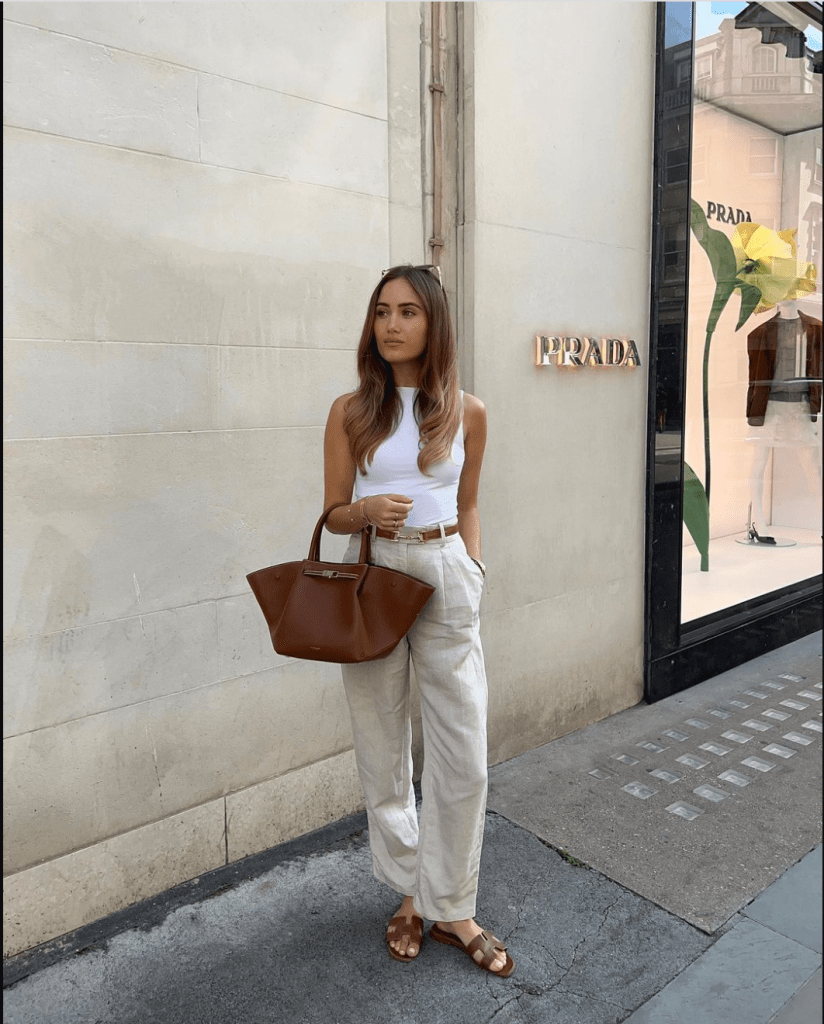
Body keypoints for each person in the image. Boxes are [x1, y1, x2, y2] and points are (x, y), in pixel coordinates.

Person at [322, 264, 514, 976]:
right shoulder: (351, 411)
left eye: (408, 311)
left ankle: (453, 906)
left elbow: (469, 503)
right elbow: (332, 511)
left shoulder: (468, 411)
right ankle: (410, 893)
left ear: (434, 323)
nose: (392, 324)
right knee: (382, 746)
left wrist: (474, 570)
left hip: (446, 571)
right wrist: (364, 511)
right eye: (382, 312)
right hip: (375, 571)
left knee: (463, 750)